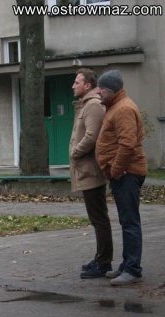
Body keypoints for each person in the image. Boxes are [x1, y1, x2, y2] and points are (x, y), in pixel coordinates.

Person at [95, 70, 147, 286]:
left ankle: (133, 269)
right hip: (124, 173)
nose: (98, 92)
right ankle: (127, 265)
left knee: (130, 222)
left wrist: (116, 170)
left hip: (127, 174)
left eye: (101, 89)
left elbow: (127, 144)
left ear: (111, 90)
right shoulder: (116, 106)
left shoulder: (123, 108)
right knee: (126, 221)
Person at [69, 69, 113, 279]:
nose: (73, 85)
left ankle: (104, 263)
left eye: (76, 82)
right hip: (87, 170)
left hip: (91, 171)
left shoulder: (93, 105)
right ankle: (100, 258)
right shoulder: (87, 104)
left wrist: (75, 152)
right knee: (97, 218)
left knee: (99, 218)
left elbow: (92, 136)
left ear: (87, 85)